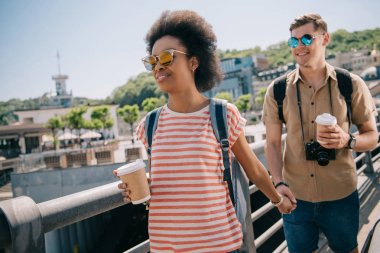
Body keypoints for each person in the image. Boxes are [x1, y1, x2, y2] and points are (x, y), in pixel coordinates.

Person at [115, 10, 294, 253]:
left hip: (219, 245)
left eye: (167, 58)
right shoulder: (150, 123)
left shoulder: (222, 114)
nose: (158, 67)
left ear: (193, 61)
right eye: (153, 61)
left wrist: (277, 200)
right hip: (166, 247)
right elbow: (163, 177)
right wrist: (141, 186)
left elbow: (254, 169)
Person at [262, 13, 378, 253]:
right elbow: (272, 143)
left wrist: (348, 140)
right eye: (293, 41)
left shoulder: (351, 84)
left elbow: (372, 136)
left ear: (325, 38)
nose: (299, 46)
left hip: (340, 195)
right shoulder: (277, 90)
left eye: (306, 38)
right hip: (295, 198)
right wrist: (278, 185)